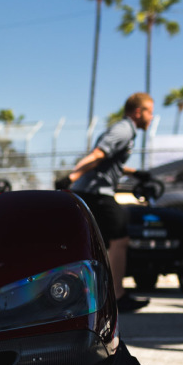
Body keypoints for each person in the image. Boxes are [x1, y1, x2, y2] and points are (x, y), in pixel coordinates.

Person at [58, 92, 154, 312]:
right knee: (120, 240)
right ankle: (117, 296)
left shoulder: (127, 131)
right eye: (150, 112)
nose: (151, 118)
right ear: (138, 112)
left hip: (97, 191)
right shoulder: (123, 130)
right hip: (97, 193)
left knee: (99, 244)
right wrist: (71, 177)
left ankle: (98, 295)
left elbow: (110, 162)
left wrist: (135, 173)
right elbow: (98, 155)